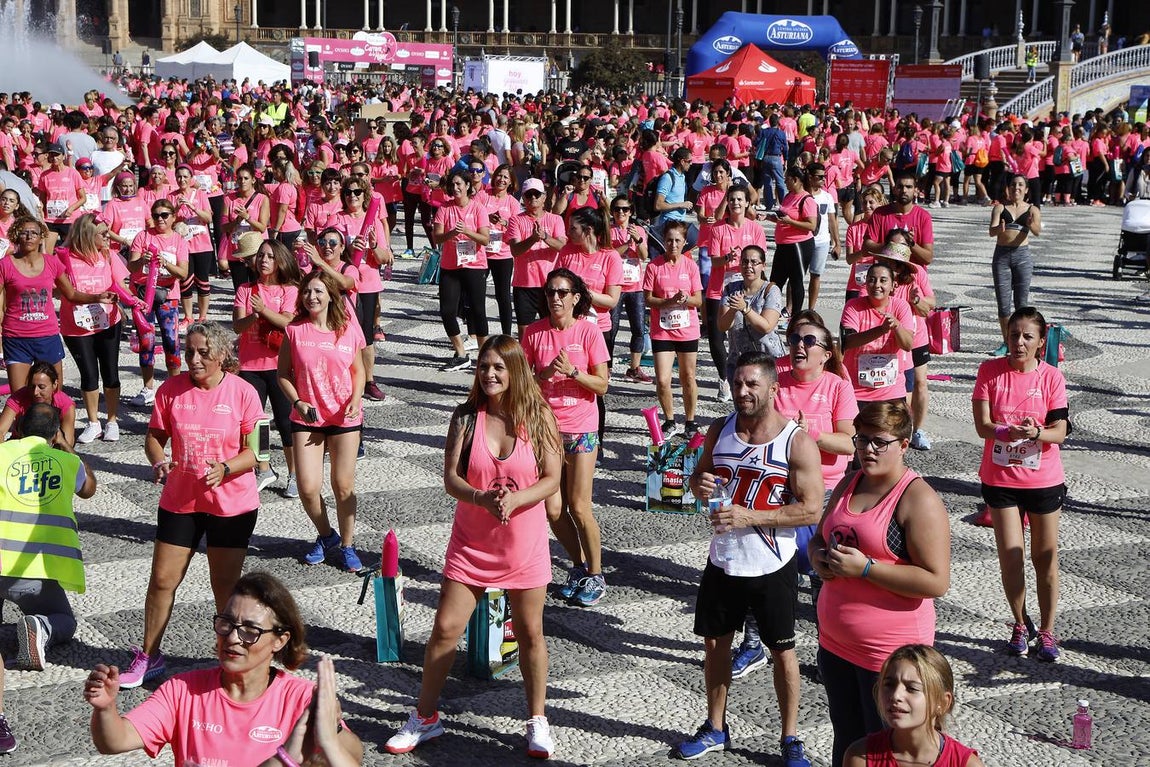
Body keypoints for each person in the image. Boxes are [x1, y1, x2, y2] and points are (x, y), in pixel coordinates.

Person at [386, 335, 562, 758]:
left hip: (524, 544)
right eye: (484, 366)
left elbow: (553, 478)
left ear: (516, 370)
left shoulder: (539, 416)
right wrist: (481, 498)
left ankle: (537, 719)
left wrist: (518, 498)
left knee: (530, 634)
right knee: (445, 630)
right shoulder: (465, 418)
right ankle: (425, 717)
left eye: (499, 367)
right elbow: (451, 478)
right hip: (472, 544)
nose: (489, 374)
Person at [678, 351, 823, 766]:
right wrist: (700, 484)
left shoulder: (795, 441)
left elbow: (812, 510)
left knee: (783, 652)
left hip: (772, 564)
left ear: (773, 389)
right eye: (738, 383)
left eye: (752, 384)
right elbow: (698, 479)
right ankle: (715, 727)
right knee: (715, 645)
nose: (742, 392)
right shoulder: (719, 429)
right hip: (724, 559)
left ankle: (790, 737)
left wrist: (750, 516)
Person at [85, 571, 364, 766]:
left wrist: (332, 733)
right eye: (226, 624)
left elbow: (354, 756)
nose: (232, 637)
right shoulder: (182, 691)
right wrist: (106, 709)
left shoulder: (301, 698)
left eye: (250, 630)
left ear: (280, 640)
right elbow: (115, 741)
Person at [808, 401, 952, 767]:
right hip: (836, 643)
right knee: (848, 742)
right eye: (861, 440)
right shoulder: (849, 481)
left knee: (890, 752)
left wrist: (867, 569)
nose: (867, 450)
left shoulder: (917, 499)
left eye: (879, 442)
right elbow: (818, 537)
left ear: (904, 445)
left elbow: (936, 581)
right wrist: (818, 557)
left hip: (888, 655)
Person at [972, 307, 1069, 662]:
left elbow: (1060, 431)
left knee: (1045, 558)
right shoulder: (989, 371)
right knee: (1011, 556)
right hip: (1001, 479)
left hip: (1043, 479)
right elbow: (982, 424)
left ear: (1041, 342)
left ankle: (1046, 630)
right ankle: (1018, 623)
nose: (1019, 343)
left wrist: (1037, 433)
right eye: (1014, 335)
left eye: (1028, 336)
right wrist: (1004, 431)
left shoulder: (1052, 378)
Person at [521, 269, 611, 607]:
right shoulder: (534, 333)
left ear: (575, 297)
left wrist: (574, 373)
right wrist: (542, 375)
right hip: (546, 430)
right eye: (550, 292)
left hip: (583, 428)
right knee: (553, 508)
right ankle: (577, 567)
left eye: (561, 292)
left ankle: (597, 574)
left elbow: (603, 385)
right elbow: (523, 380)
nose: (555, 298)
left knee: (579, 506)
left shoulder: (589, 332)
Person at [277, 271, 366, 572]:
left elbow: (359, 371)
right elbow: (282, 375)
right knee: (307, 486)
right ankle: (327, 535)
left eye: (318, 291)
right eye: (307, 292)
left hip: (344, 418)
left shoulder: (347, 329)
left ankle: (348, 545)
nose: (311, 297)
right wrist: (298, 402)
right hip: (307, 418)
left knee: (343, 485)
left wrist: (357, 397)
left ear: (330, 295)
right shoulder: (294, 330)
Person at [0, 403, 97, 676]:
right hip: (35, 573)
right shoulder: (68, 463)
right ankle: (41, 627)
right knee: (65, 620)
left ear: (18, 428)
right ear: (55, 434)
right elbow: (89, 489)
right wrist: (66, 447)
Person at [1, 215, 115, 394]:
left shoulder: (52, 262)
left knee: (53, 395)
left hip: (47, 335)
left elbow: (70, 294)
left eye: (34, 233)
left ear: (41, 237)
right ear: (16, 235)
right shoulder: (5, 265)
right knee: (19, 397)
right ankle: (19, 423)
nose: (30, 236)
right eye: (24, 233)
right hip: (16, 336)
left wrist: (98, 297)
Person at [233, 238, 301, 497]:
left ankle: (295, 474)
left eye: (270, 256)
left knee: (285, 421)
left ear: (280, 260)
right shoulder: (244, 290)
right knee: (253, 423)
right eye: (261, 256)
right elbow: (238, 327)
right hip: (249, 365)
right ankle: (264, 468)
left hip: (279, 365)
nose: (264, 260)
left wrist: (264, 310)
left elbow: (288, 323)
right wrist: (254, 314)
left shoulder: (290, 290)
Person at [843, 645, 985, 767]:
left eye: (912, 688)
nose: (896, 695)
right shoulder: (860, 758)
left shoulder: (965, 764)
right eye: (889, 685)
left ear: (942, 703)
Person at [58, 213, 130, 444]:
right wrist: (90, 296)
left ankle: (111, 420)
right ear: (88, 235)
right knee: (88, 375)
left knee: (110, 372)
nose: (108, 237)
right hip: (77, 326)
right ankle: (93, 422)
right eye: (103, 234)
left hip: (108, 321)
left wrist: (133, 303)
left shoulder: (109, 255)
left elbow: (121, 285)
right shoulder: (64, 257)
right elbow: (57, 291)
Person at [126, 199, 191, 408]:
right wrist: (142, 261)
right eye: (156, 215)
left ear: (173, 217)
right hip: (144, 296)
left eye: (164, 215)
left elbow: (183, 273)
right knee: (146, 343)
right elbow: (131, 267)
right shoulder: (142, 236)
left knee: (172, 342)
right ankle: (148, 388)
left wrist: (167, 264)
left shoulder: (179, 240)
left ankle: (174, 387)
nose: (160, 219)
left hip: (168, 297)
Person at [643, 220, 704, 437]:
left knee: (688, 376)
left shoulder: (691, 266)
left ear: (685, 242)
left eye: (678, 240)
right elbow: (648, 299)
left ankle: (690, 420)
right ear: (663, 241)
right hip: (662, 330)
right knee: (662, 379)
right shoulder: (654, 266)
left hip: (687, 329)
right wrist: (669, 302)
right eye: (669, 240)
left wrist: (686, 299)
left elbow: (698, 301)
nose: (673, 244)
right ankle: (669, 419)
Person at [432, 169, 491, 371]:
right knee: (447, 310)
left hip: (474, 265)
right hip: (451, 265)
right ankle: (461, 353)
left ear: (467, 186)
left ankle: (484, 356)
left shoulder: (478, 208)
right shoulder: (444, 209)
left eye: (459, 184)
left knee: (478, 311)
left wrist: (467, 231)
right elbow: (436, 237)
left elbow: (485, 239)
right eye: (453, 185)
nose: (456, 188)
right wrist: (451, 233)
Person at [841, 257, 916, 405]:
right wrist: (881, 330)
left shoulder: (901, 307)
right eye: (872, 280)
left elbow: (908, 345)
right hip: (857, 391)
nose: (877, 285)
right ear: (865, 283)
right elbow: (848, 342)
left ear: (893, 285)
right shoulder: (853, 306)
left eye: (883, 280)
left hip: (892, 391)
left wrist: (897, 326)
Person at [988, 175, 1043, 354]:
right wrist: (1000, 229)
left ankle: (1022, 341)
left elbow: (1037, 232)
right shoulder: (1000, 208)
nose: (1016, 188)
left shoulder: (1032, 209)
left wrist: (1030, 224)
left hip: (1022, 256)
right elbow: (991, 231)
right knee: (1003, 304)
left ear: (1026, 190)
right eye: (1013, 185)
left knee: (1021, 304)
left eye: (1020, 185)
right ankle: (1006, 342)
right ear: (1008, 188)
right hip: (1002, 256)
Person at [717, 245, 785, 385]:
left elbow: (766, 326)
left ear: (763, 266)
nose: (749, 266)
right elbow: (723, 326)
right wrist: (733, 309)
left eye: (754, 262)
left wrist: (745, 309)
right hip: (739, 361)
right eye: (745, 262)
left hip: (768, 361)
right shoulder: (731, 288)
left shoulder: (771, 290)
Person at [508, 177, 567, 335]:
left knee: (552, 328)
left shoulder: (556, 219)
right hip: (524, 285)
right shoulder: (515, 220)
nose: (533, 198)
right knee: (524, 332)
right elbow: (515, 250)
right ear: (523, 198)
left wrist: (545, 237)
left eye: (536, 194)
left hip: (550, 285)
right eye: (528, 195)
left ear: (544, 197)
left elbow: (561, 246)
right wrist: (533, 239)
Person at [769, 166, 818, 318]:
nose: (785, 182)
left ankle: (796, 317)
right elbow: (784, 217)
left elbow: (811, 225)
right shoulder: (789, 196)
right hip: (783, 244)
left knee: (796, 281)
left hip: (799, 245)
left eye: (787, 179)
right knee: (775, 281)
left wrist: (790, 222)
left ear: (796, 180)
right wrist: (771, 218)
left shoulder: (807, 199)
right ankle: (770, 312)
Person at [0, 361, 77, 445]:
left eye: (42, 387)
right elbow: (1, 431)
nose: (35, 392)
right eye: (32, 386)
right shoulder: (18, 397)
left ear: (54, 384)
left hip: (52, 446)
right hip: (21, 442)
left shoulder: (66, 404)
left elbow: (67, 443)